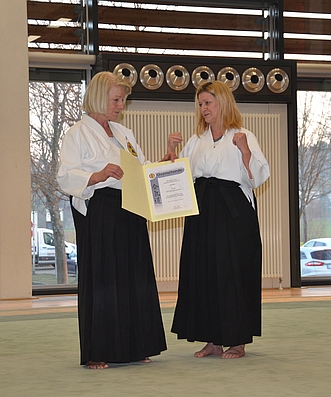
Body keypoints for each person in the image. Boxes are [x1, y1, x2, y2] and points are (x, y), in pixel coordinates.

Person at [57, 71, 177, 369]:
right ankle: (98, 350)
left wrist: (163, 164)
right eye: (116, 99)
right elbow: (65, 176)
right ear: (99, 97)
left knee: (135, 276)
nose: (121, 106)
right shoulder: (77, 134)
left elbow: (141, 168)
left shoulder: (124, 134)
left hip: (131, 207)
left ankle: (136, 346)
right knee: (104, 279)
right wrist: (98, 174)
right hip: (101, 209)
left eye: (123, 100)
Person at [168, 80, 270, 359]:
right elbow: (179, 176)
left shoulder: (243, 135)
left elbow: (260, 176)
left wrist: (246, 152)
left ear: (222, 103)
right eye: (200, 104)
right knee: (202, 271)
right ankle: (212, 339)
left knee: (232, 272)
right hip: (201, 210)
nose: (203, 108)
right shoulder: (196, 140)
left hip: (233, 210)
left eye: (208, 103)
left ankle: (237, 341)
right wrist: (170, 152)